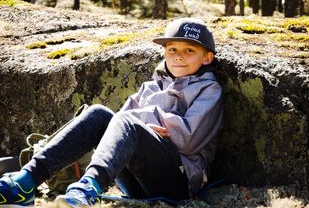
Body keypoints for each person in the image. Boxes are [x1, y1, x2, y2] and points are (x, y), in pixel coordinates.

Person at [0, 18, 224, 207]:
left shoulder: (209, 90)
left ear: (207, 57)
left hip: (178, 180)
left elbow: (189, 139)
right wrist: (142, 128)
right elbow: (118, 127)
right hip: (136, 179)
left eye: (189, 50)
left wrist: (142, 124)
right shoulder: (152, 86)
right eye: (172, 49)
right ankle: (26, 181)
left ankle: (88, 189)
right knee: (99, 115)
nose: (179, 56)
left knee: (126, 121)